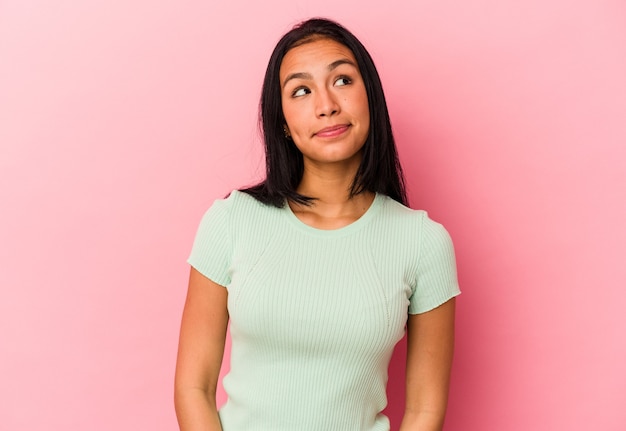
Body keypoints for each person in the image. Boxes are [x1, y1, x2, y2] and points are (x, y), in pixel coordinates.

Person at [174, 18, 460, 431]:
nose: (326, 104)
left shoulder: (423, 243)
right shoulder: (232, 221)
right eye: (301, 90)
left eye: (342, 80)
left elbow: (424, 411)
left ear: (370, 98)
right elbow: (193, 387)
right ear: (283, 123)